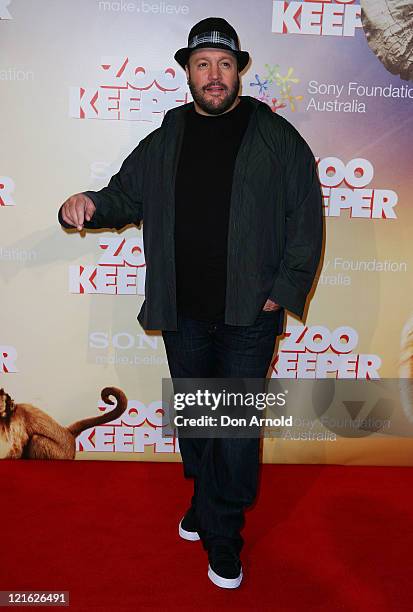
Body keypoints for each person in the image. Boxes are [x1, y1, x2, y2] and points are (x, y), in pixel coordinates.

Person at [58, 17, 323, 589]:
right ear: (187, 73)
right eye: (203, 64)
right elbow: (124, 195)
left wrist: (286, 285)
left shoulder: (277, 138)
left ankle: (223, 536)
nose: (214, 74)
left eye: (224, 64)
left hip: (251, 314)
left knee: (230, 425)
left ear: (239, 72)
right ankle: (206, 502)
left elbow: (305, 216)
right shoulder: (166, 136)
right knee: (201, 422)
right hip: (183, 311)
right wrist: (85, 204)